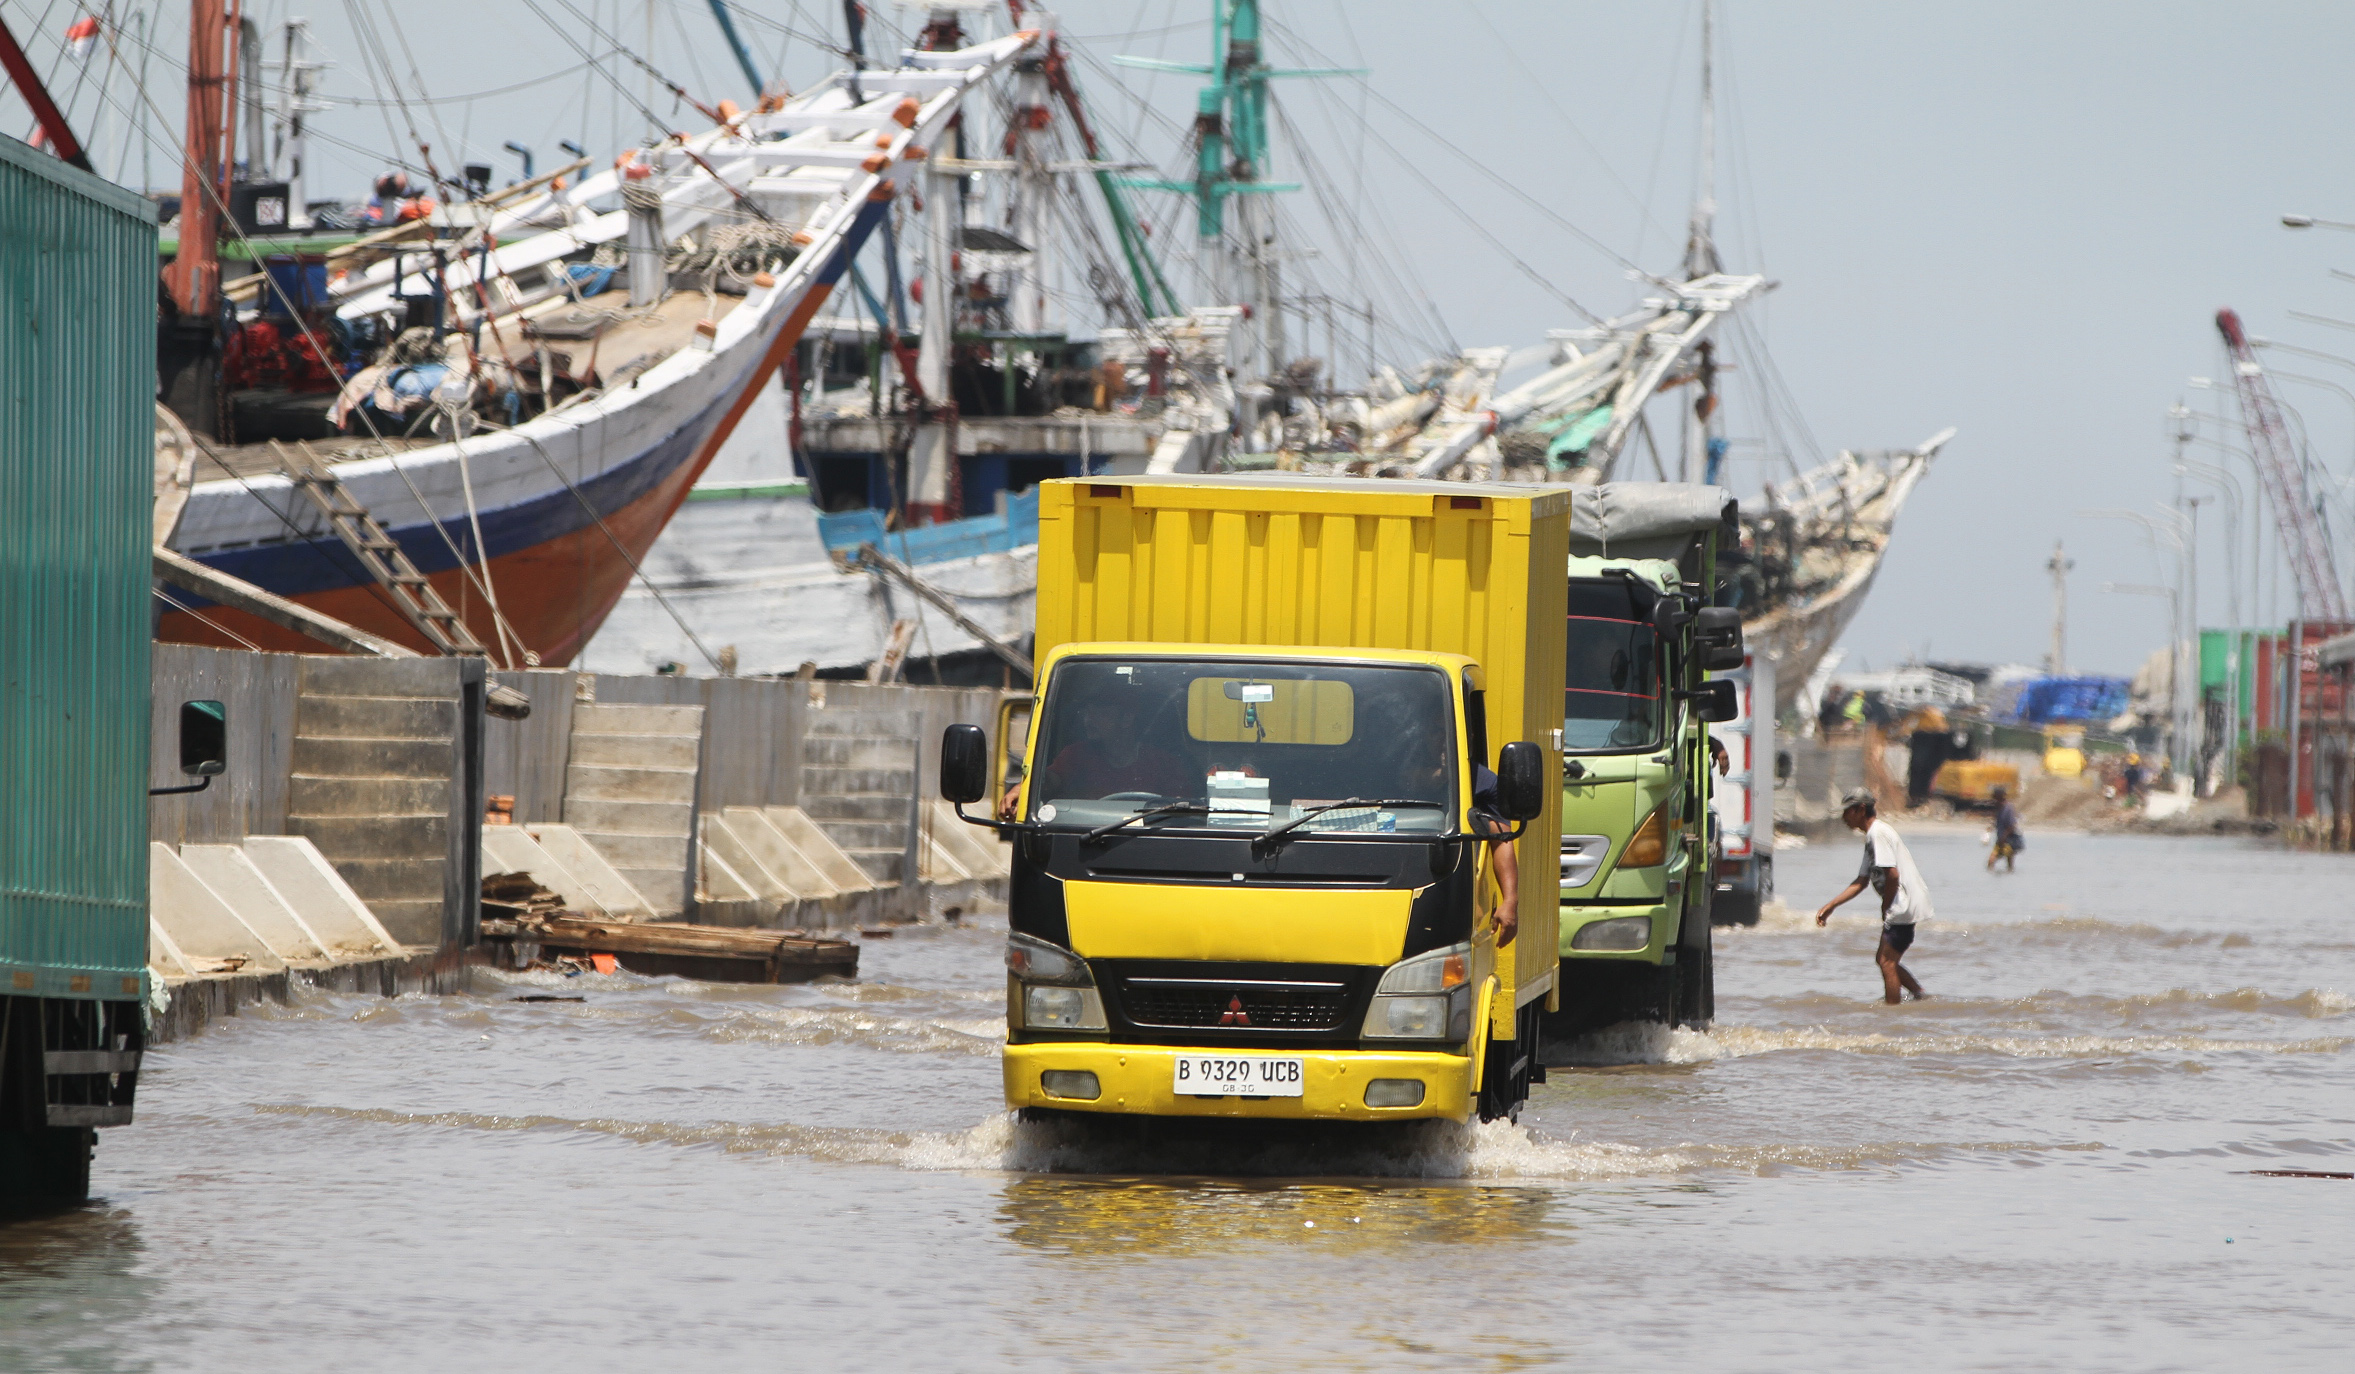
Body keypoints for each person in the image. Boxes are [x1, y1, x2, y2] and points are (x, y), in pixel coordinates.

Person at [1815, 788, 1930, 1004]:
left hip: (1901, 905)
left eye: (1847, 812)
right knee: (1884, 959)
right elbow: (1861, 881)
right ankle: (1919, 995)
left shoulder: (1878, 833)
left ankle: (1892, 1014)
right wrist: (1831, 906)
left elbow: (1892, 875)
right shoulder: (1871, 837)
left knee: (1887, 962)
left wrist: (1886, 907)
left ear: (1860, 810)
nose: (1843, 818)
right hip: (1900, 905)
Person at [1987, 785, 2024, 873]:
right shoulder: (1998, 806)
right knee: (1993, 863)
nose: (1993, 797)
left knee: (2004, 862)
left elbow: (2012, 825)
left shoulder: (2008, 808)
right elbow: (1998, 821)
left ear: (2000, 795)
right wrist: (1991, 827)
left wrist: (2004, 837)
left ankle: (2009, 876)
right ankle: (2008, 878)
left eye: (1995, 795)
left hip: (2008, 841)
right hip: (2001, 840)